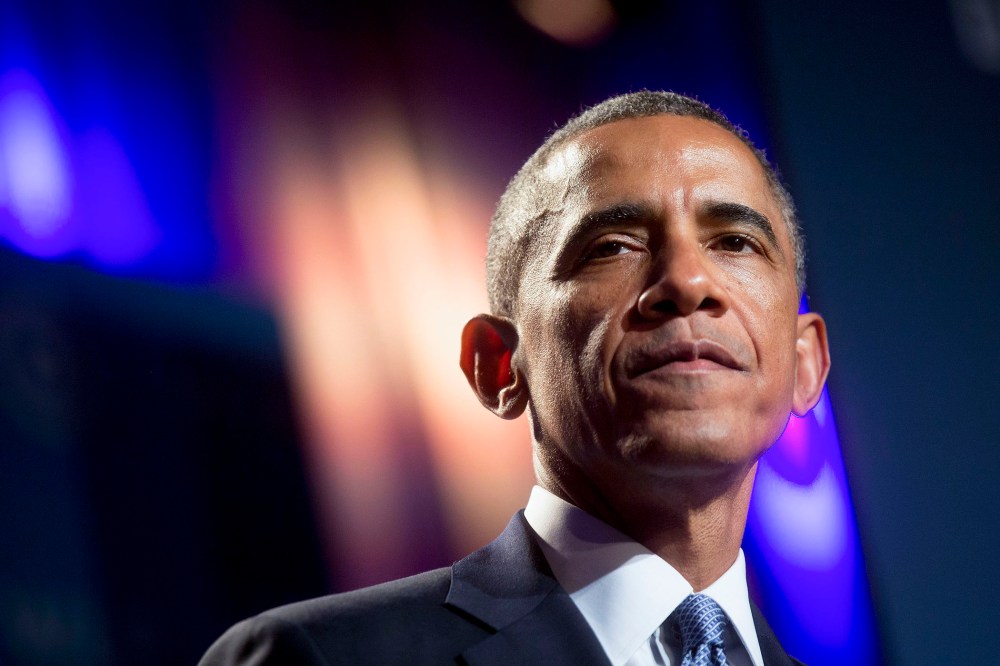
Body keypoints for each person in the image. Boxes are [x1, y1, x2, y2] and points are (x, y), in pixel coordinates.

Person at [200, 90, 830, 666]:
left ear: (804, 364)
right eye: (612, 245)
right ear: (498, 365)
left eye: (737, 242)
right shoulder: (312, 657)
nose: (689, 283)